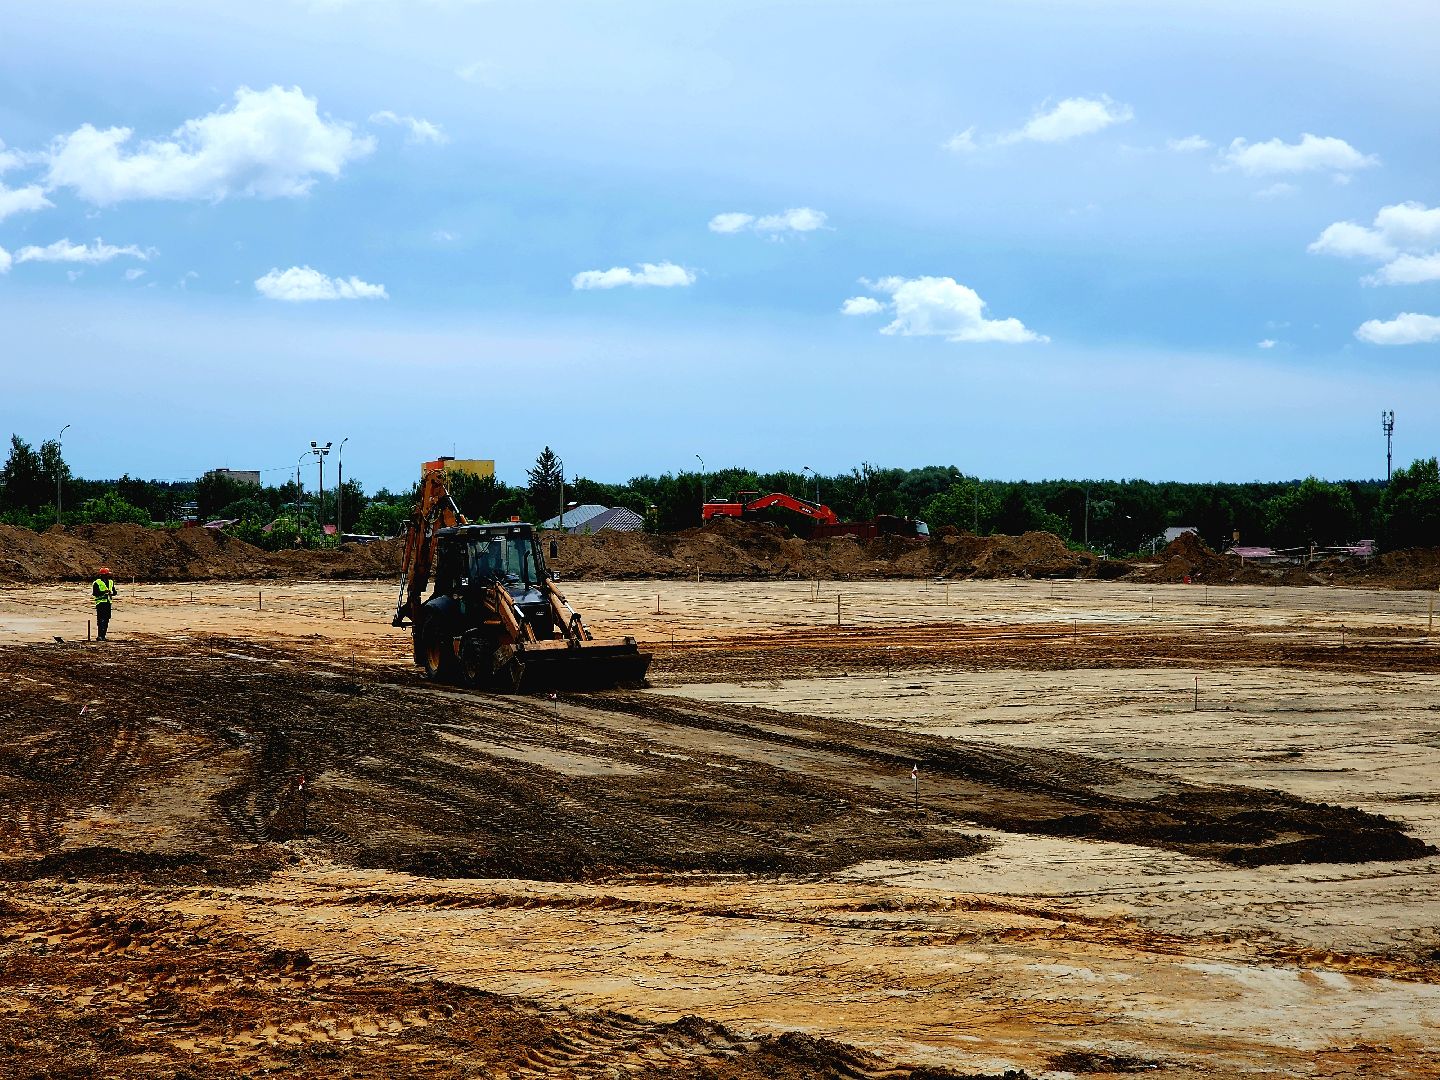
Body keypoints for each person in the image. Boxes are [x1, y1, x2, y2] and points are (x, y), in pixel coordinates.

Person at [92, 566, 118, 640]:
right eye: (107, 574)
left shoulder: (111, 582)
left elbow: (115, 592)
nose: (109, 575)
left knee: (106, 619)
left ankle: (103, 636)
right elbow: (95, 593)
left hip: (108, 603)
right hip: (100, 603)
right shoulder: (97, 583)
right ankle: (100, 636)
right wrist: (104, 592)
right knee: (101, 619)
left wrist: (111, 593)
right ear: (104, 575)